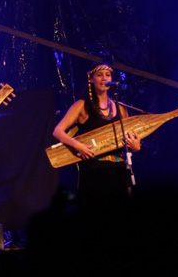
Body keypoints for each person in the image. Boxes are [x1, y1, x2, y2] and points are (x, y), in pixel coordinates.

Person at [52, 61, 141, 205]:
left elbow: (128, 141)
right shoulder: (82, 105)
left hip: (118, 169)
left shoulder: (120, 108)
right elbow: (58, 131)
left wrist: (135, 148)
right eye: (99, 75)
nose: (104, 78)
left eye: (107, 75)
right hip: (94, 169)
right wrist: (78, 145)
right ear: (91, 79)